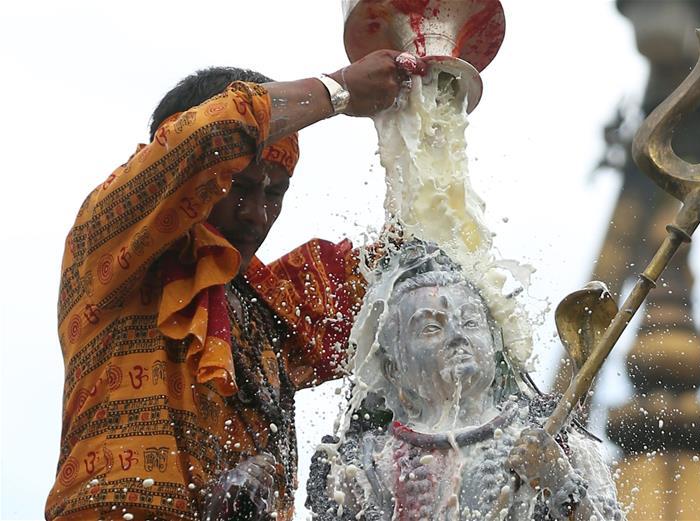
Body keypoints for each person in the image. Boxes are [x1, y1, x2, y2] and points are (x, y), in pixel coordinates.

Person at [47, 50, 426, 521]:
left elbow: (404, 272)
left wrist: (427, 109)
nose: (256, 215)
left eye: (274, 193)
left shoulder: (267, 305)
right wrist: (340, 88)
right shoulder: (110, 242)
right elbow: (208, 135)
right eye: (237, 187)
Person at [307, 242, 625, 520]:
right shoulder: (367, 468)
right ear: (393, 368)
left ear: (495, 340)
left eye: (471, 321)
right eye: (431, 328)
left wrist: (561, 483)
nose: (457, 336)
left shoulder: (557, 445)